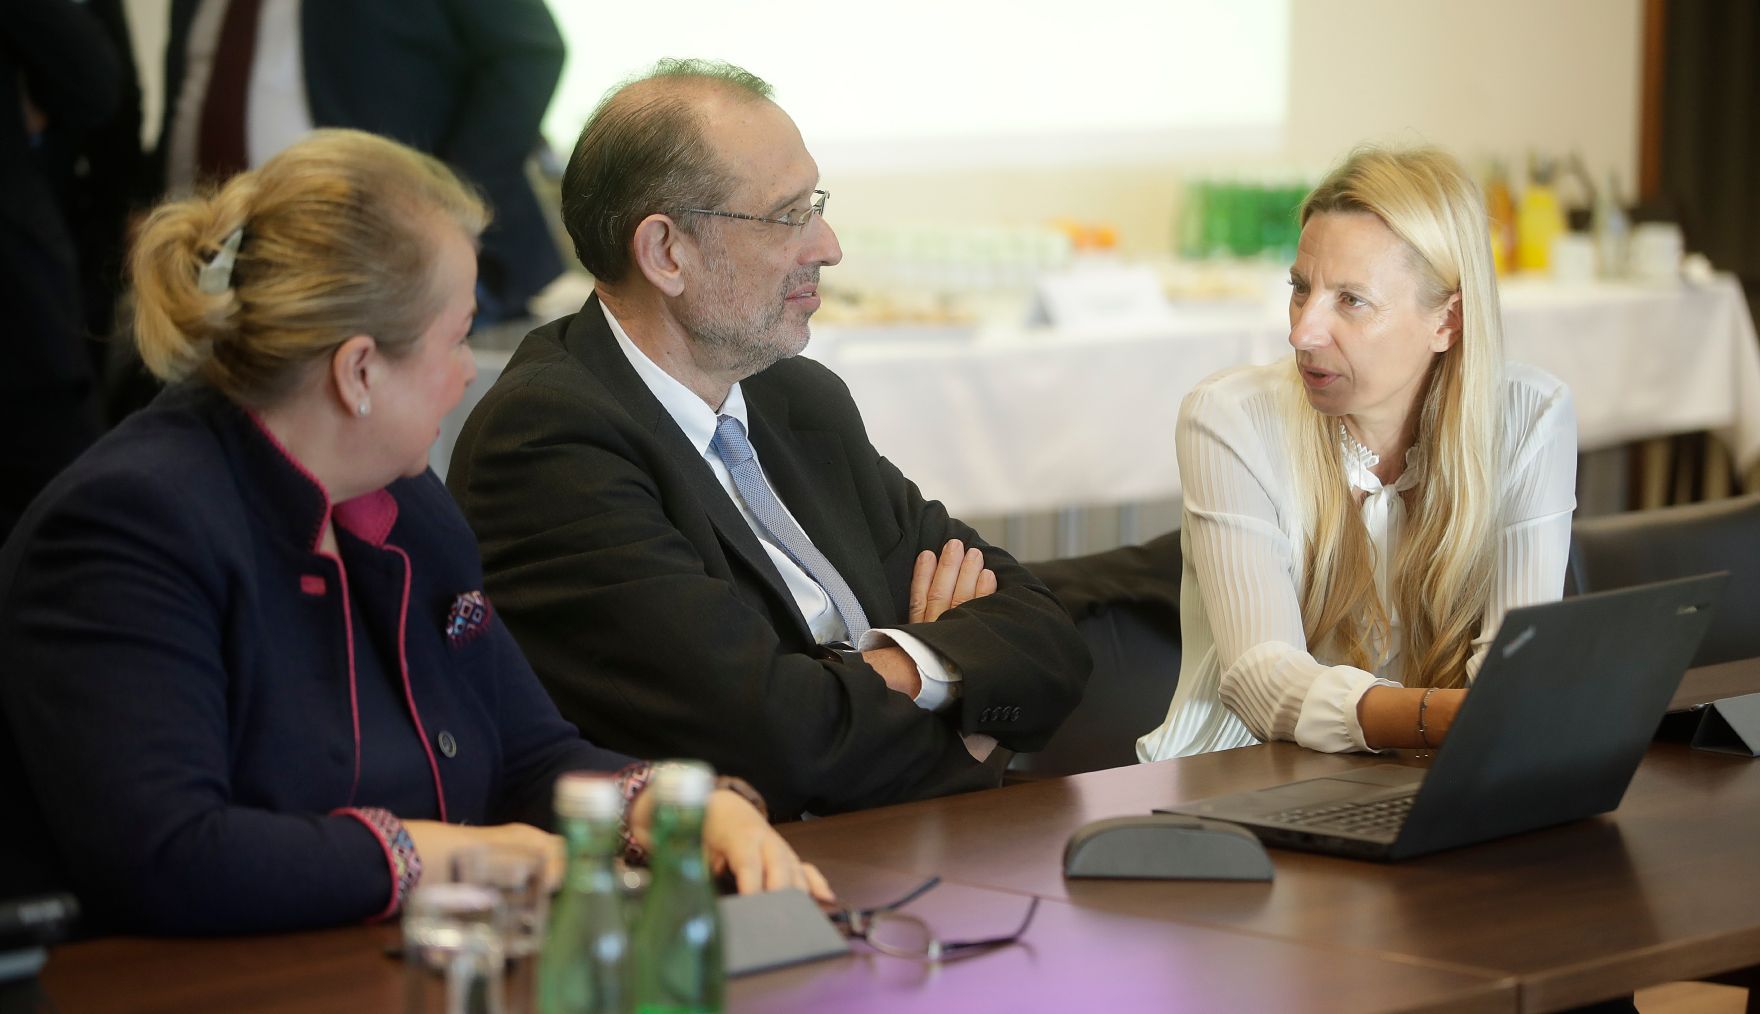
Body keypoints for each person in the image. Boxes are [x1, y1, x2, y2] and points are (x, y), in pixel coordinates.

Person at [0, 129, 825, 935]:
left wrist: (680, 808)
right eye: (456, 337)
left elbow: (531, 757)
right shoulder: (127, 527)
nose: (468, 372)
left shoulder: (410, 502)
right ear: (359, 371)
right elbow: (168, 856)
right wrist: (452, 859)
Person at [447, 60, 1090, 818]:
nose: (829, 245)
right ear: (665, 253)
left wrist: (905, 668)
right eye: (787, 216)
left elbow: (1047, 638)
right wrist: (962, 720)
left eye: (814, 204)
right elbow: (773, 738)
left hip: (905, 850)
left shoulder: (797, 397)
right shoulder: (549, 444)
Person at [1137, 145, 1577, 761]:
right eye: (1300, 288)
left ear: (1447, 321)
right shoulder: (1231, 419)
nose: (1302, 332)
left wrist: (1475, 722)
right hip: (1239, 785)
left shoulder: (1531, 418)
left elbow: (1517, 673)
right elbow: (1262, 681)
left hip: (1438, 774)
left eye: (1352, 300)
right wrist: (1438, 716)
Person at [155, 0, 565, 324]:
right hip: (199, 272)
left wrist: (446, 201)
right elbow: (188, 98)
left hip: (387, 269)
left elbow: (529, 48)